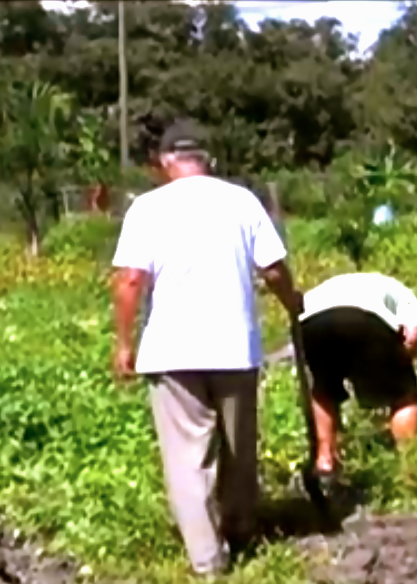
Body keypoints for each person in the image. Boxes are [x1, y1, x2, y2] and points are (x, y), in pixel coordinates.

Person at [110, 119, 303, 577]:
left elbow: (130, 280)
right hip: (233, 347)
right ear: (207, 160)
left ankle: (208, 561)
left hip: (172, 352)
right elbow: (273, 269)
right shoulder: (240, 201)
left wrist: (123, 342)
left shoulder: (148, 209)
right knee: (239, 449)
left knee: (186, 459)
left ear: (164, 162)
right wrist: (294, 304)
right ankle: (240, 530)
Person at [297, 272, 417, 486]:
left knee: (323, 388)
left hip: (311, 321)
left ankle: (325, 462)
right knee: (404, 396)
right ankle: (410, 470)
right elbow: (413, 336)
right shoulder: (405, 295)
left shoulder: (333, 284)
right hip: (365, 315)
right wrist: (400, 362)